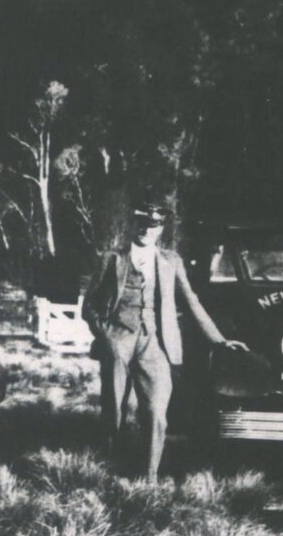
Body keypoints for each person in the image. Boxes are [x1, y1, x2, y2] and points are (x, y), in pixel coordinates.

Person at [83, 204, 246, 483]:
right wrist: (107, 334)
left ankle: (148, 479)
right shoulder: (112, 259)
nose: (147, 230)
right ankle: (109, 469)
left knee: (157, 411)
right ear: (132, 225)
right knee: (115, 410)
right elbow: (89, 306)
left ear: (161, 229)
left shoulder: (171, 261)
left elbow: (191, 301)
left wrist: (218, 340)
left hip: (156, 342)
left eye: (154, 225)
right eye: (142, 223)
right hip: (118, 338)